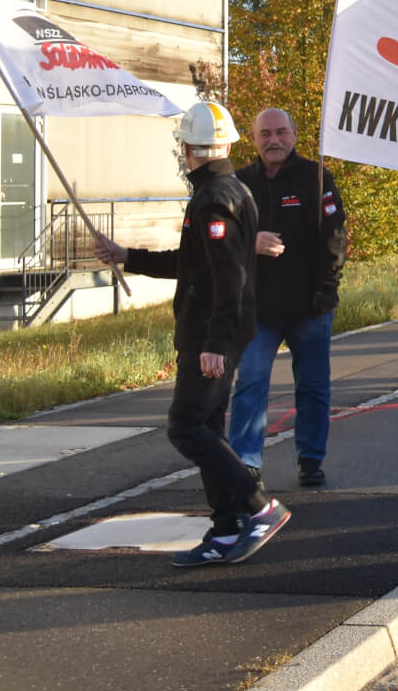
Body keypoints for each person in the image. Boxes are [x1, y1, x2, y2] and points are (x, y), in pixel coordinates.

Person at [92, 102, 288, 566]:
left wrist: (216, 343)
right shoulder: (229, 189)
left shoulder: (213, 197)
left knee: (186, 426)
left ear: (185, 148)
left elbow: (228, 276)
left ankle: (259, 506)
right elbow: (194, 264)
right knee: (205, 428)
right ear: (228, 143)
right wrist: (128, 255)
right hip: (215, 332)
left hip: (209, 334)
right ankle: (224, 530)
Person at [226, 109, 346, 489]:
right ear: (253, 137)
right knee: (251, 384)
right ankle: (245, 466)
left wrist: (325, 291)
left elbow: (335, 238)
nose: (273, 140)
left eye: (281, 132)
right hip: (258, 308)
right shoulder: (239, 183)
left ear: (294, 135)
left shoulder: (316, 176)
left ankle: (311, 460)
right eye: (265, 133)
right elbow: (220, 242)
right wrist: (250, 243)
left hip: (309, 307)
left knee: (312, 387)